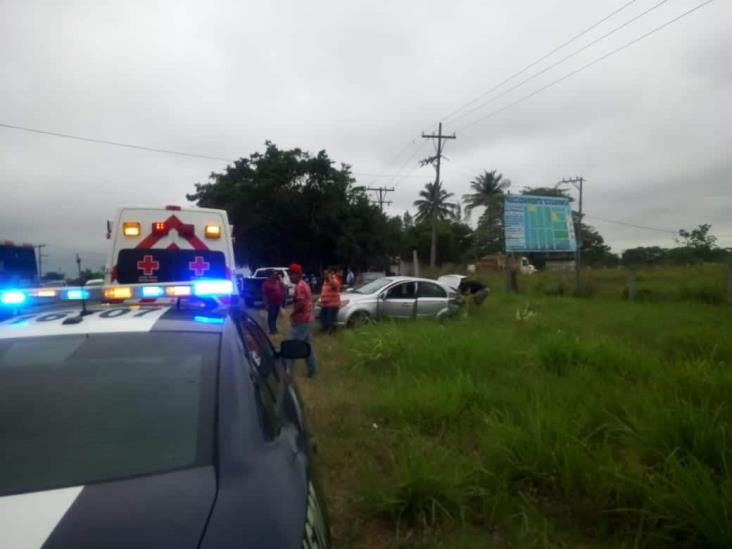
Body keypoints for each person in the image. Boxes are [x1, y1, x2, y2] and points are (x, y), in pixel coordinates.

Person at [288, 263, 317, 377]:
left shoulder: (300, 286)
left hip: (302, 321)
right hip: (307, 319)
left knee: (292, 346)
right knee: (307, 346)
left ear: (297, 274)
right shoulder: (304, 284)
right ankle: (313, 370)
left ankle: (287, 370)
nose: (289, 276)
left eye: (291, 274)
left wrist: (293, 314)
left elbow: (301, 303)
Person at [262, 270, 285, 334]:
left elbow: (283, 286)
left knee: (275, 316)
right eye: (274, 274)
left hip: (278, 303)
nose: (275, 276)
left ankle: (274, 328)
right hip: (271, 303)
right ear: (270, 275)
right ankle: (272, 330)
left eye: (275, 274)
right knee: (271, 316)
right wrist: (266, 304)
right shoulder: (266, 284)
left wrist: (281, 280)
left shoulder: (277, 282)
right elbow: (264, 295)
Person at [319, 269, 341, 334]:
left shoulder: (334, 280)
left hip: (332, 304)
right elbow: (324, 291)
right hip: (325, 304)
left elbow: (335, 285)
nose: (324, 275)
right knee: (322, 317)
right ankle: (325, 328)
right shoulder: (325, 282)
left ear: (330, 275)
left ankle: (332, 330)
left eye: (326, 274)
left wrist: (330, 278)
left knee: (330, 319)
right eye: (324, 274)